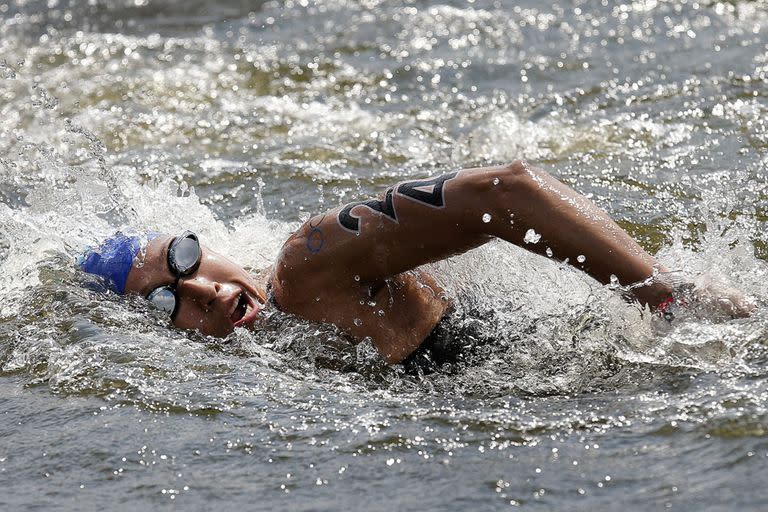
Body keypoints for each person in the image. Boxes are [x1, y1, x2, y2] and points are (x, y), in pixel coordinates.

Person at [78, 160, 754, 365]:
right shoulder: (274, 354)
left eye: (185, 258)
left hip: (677, 362)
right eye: (166, 302)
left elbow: (505, 190)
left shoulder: (305, 268)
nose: (204, 290)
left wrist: (666, 298)